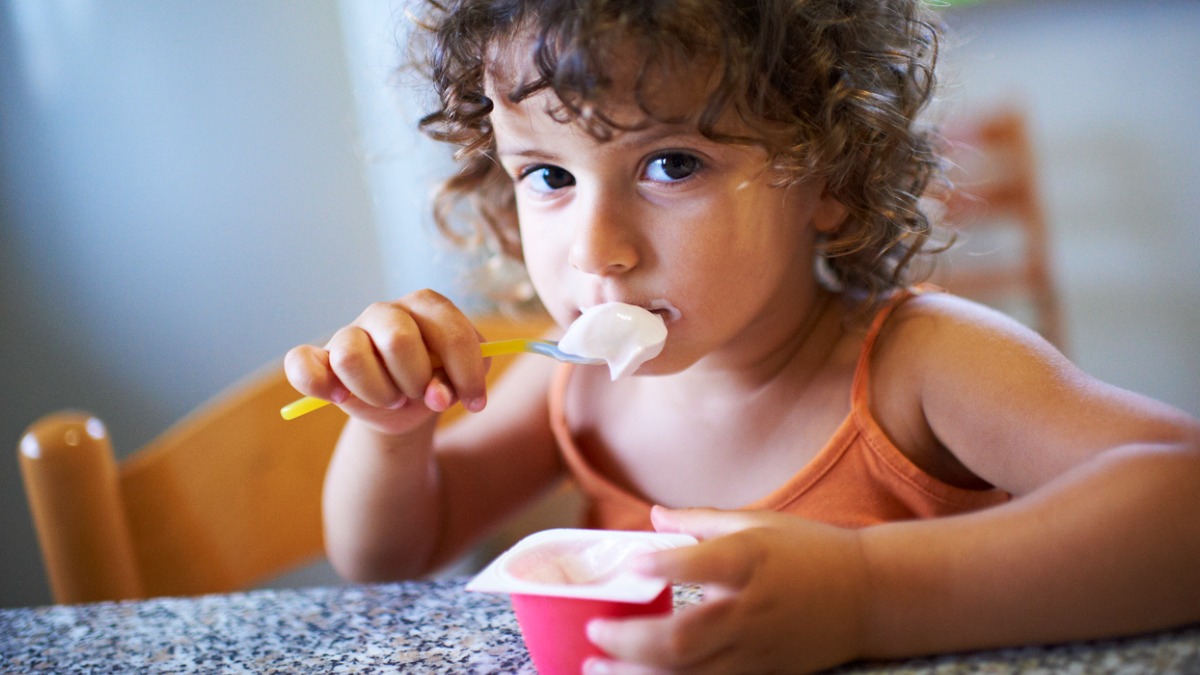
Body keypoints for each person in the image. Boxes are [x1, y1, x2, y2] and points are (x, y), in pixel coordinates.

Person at [284, 1, 1200, 672]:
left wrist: (865, 596)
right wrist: (394, 434)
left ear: (825, 176)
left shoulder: (922, 368)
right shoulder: (575, 385)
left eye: (671, 164)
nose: (597, 250)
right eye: (549, 175)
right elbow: (389, 557)